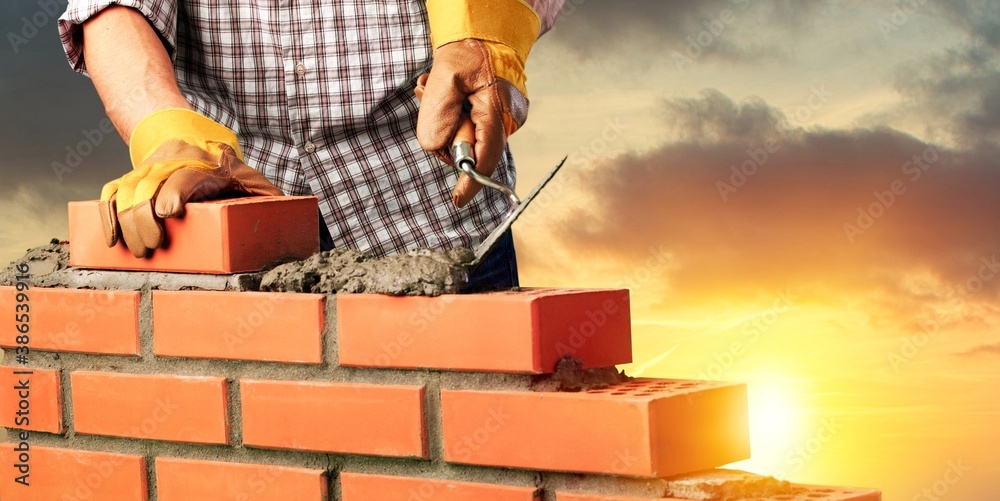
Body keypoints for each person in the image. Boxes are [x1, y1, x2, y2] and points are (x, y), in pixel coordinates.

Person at [57, 0, 563, 288]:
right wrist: (168, 132)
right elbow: (110, 4)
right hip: (226, 207)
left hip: (431, 212)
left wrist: (484, 36)